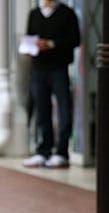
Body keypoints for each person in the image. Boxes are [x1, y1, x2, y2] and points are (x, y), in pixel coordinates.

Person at [22, 0, 80, 169]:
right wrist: (30, 47)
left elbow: (74, 39)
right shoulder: (34, 13)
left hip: (59, 69)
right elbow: (30, 37)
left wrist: (51, 44)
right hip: (38, 69)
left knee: (63, 109)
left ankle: (62, 152)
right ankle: (43, 151)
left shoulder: (67, 13)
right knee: (42, 111)